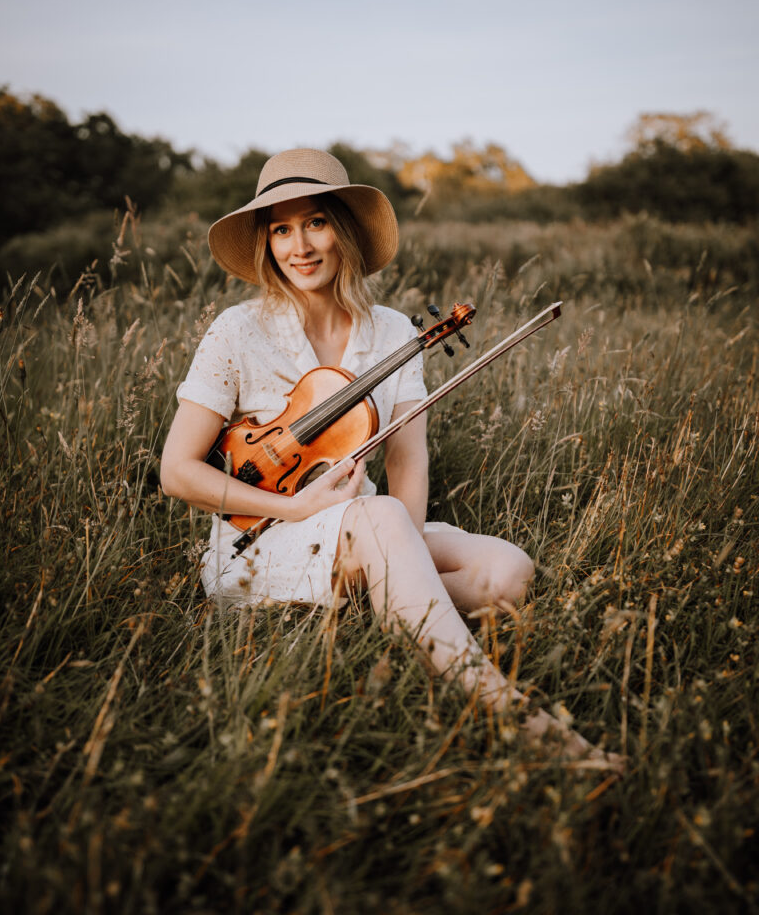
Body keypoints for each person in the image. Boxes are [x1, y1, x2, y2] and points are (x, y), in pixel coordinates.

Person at [160, 148, 623, 771]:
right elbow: (178, 472)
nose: (301, 245)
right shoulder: (237, 331)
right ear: (267, 244)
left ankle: (388, 604)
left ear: (344, 231)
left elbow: (408, 458)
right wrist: (292, 505)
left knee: (507, 573)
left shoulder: (393, 332)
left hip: (367, 526)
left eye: (316, 222)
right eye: (281, 229)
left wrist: (396, 536)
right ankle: (507, 712)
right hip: (260, 540)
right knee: (380, 519)